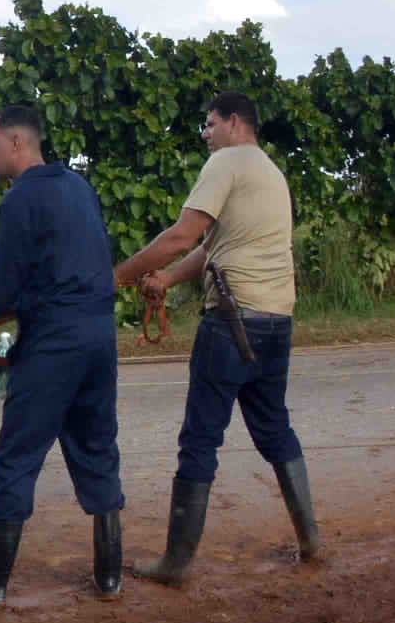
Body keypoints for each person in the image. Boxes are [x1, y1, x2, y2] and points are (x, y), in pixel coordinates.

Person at [0, 104, 125, 607]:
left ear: (16, 143)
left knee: (16, 458)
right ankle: (109, 578)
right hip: (100, 337)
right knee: (97, 449)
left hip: (54, 345)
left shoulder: (18, 202)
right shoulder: (80, 188)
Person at [110, 91, 316, 584]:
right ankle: (311, 540)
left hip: (229, 323)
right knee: (274, 429)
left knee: (200, 439)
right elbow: (211, 247)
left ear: (234, 122)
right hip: (275, 321)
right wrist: (165, 280)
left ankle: (175, 563)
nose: (205, 133)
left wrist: (115, 277)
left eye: (209, 124)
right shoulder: (269, 172)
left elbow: (183, 236)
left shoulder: (226, 164)